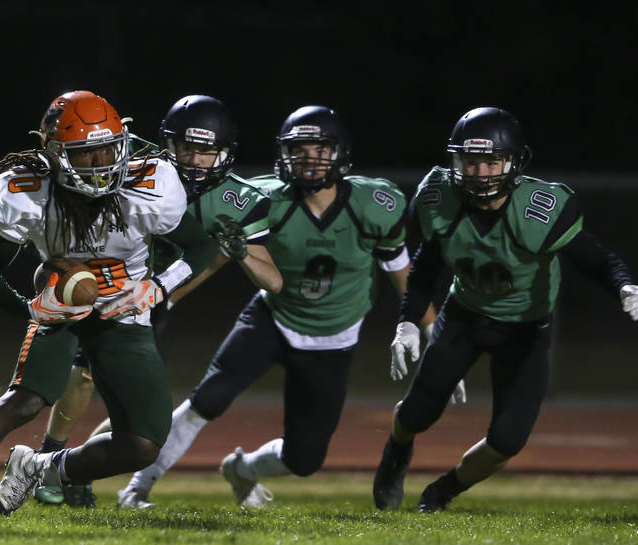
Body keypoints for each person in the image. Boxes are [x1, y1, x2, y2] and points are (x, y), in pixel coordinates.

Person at [0, 90, 219, 516]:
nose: (103, 161)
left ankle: (36, 468)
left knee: (143, 444)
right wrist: (31, 309)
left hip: (125, 309)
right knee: (26, 398)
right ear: (55, 153)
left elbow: (200, 248)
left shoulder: (149, 184)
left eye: (109, 147)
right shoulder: (29, 190)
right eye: (87, 153)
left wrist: (157, 288)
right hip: (63, 306)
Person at [118, 105, 451, 509]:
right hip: (273, 317)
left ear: (339, 153)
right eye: (298, 150)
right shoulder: (264, 198)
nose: (308, 160)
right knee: (207, 400)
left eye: (319, 149)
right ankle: (135, 489)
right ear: (283, 154)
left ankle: (241, 470)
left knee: (305, 459)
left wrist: (430, 331)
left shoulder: (373, 202)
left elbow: (401, 271)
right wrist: (163, 300)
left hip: (334, 337)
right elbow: (212, 258)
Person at [373, 107, 638, 513]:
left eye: (491, 161)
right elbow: (427, 266)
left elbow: (592, 257)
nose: (481, 172)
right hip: (464, 316)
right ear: (456, 162)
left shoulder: (539, 208)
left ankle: (443, 490)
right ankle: (396, 453)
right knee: (416, 413)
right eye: (471, 162)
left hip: (525, 330)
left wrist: (623, 282)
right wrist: (408, 323)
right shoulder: (438, 199)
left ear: (513, 163)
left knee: (508, 441)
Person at [31, 95, 283, 508]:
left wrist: (233, 257)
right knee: (84, 376)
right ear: (168, 144)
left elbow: (270, 281)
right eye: (186, 148)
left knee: (139, 409)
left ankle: (73, 469)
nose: (195, 159)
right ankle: (47, 455)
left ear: (225, 153)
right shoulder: (134, 163)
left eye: (206, 151)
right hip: (105, 285)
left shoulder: (241, 200)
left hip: (154, 298)